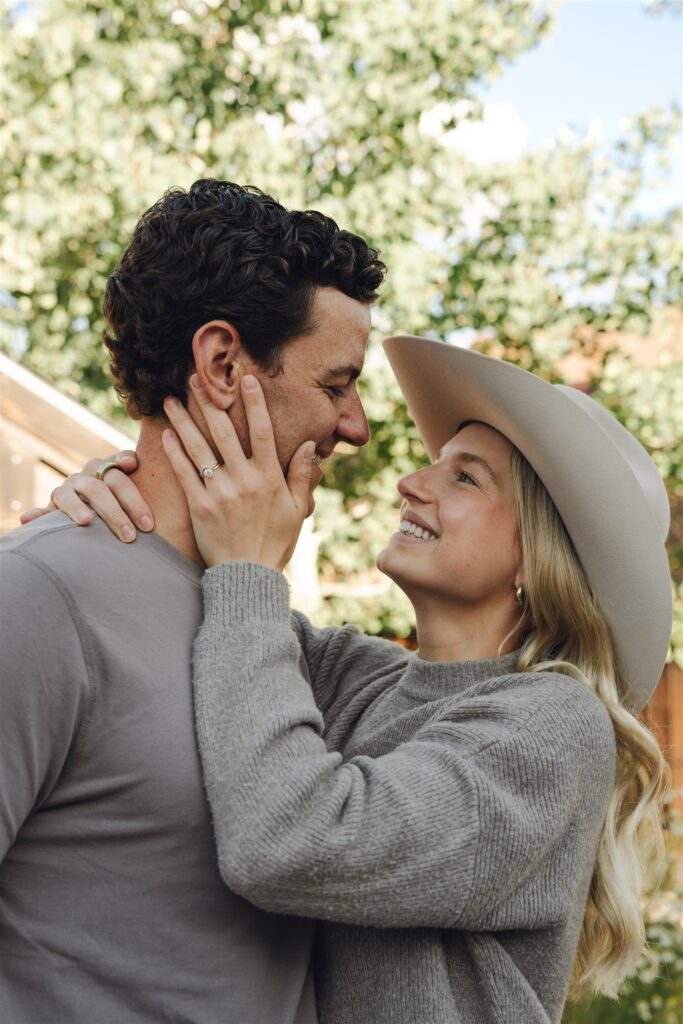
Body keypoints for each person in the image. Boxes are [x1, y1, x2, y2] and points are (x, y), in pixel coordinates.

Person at [39, 336, 671, 1023]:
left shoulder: (554, 726)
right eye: (435, 465)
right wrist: (122, 500)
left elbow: (286, 845)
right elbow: (214, 614)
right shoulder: (356, 679)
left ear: (534, 557)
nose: (410, 483)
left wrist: (252, 569)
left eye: (464, 478)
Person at [0, 178, 385, 1024]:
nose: (356, 427)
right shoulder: (36, 596)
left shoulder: (261, 622)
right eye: (336, 384)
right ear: (222, 365)